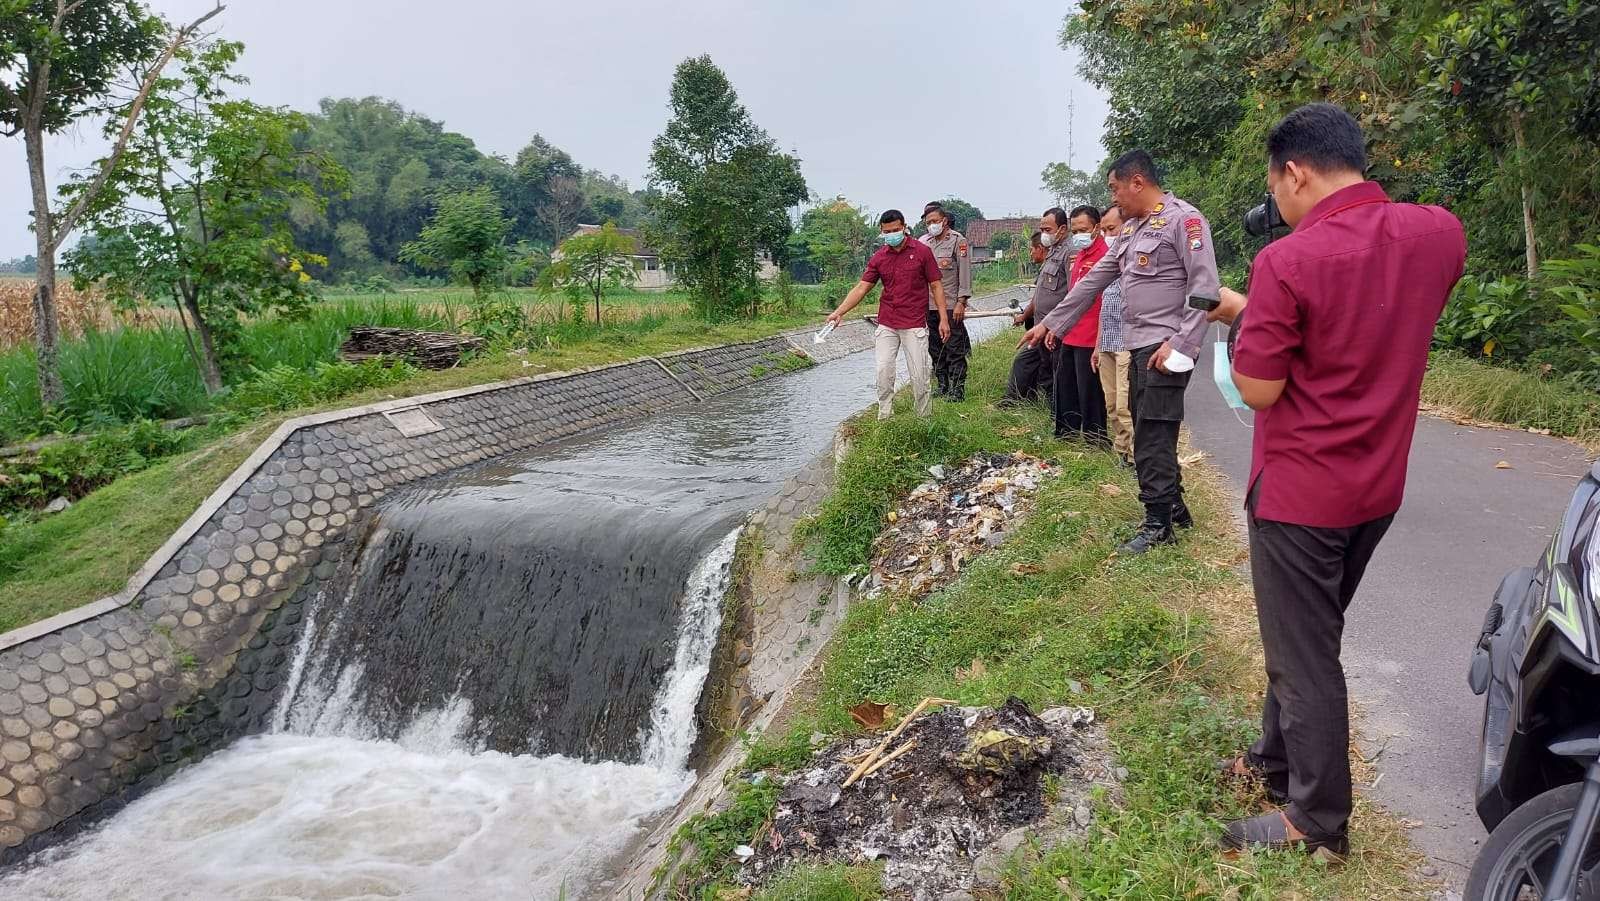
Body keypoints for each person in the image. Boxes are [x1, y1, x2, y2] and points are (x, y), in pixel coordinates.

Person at [1206, 103, 1466, 857]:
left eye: (1275, 188)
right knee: (1308, 633)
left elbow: (1258, 389)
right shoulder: (1438, 233)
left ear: (1295, 172)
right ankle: (1273, 760)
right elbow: (1363, 326)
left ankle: (1315, 821)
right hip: (1376, 487)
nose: (1276, 207)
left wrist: (1244, 315)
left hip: (1300, 494)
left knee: (1304, 653)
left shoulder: (1287, 261)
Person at [1020, 151, 1217, 554]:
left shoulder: (1185, 221)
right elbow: (1091, 283)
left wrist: (1183, 343)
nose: (1114, 197)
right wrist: (1049, 323)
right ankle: (1175, 509)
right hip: (1137, 344)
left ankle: (1158, 524)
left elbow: (1205, 289)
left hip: (1167, 346)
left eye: (1115, 188)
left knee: (1151, 435)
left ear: (1137, 182)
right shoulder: (1129, 232)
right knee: (1150, 427)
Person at [828, 210, 951, 419]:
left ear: (904, 227)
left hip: (914, 323)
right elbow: (861, 288)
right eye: (887, 231)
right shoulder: (879, 258)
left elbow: (936, 286)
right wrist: (838, 312)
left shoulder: (922, 252)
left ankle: (923, 419)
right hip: (887, 322)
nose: (892, 234)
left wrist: (943, 319)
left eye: (896, 230)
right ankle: (885, 417)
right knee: (883, 371)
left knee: (920, 375)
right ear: (882, 232)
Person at [1044, 205, 1108, 442]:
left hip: (1092, 335)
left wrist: (1100, 342)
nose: (1079, 234)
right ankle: (1067, 434)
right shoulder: (1078, 255)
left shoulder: (1106, 255)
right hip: (1071, 331)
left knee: (1089, 390)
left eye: (1084, 229)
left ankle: (1095, 438)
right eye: (1075, 230)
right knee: (1066, 386)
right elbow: (1071, 297)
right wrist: (1057, 327)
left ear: (1097, 228)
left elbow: (1105, 301)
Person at [1002, 211, 1075, 407]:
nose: (1043, 233)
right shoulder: (1052, 251)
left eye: (1047, 229)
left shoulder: (1070, 253)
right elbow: (1040, 295)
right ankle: (1024, 402)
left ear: (1062, 229)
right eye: (1041, 229)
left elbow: (1074, 294)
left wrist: (1054, 324)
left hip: (1055, 328)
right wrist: (1024, 316)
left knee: (1055, 372)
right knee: (1038, 368)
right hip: (1039, 327)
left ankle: (1059, 415)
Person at [1088, 206, 1134, 465]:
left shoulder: (1136, 260)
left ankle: (1136, 456)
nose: (1106, 235)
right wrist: (1096, 346)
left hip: (1128, 342)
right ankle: (1121, 453)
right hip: (1107, 342)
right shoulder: (1107, 263)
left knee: (1125, 404)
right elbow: (1103, 308)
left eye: (1111, 229)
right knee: (1111, 404)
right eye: (1103, 230)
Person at [920, 202, 973, 399]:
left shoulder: (958, 241)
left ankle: (957, 389)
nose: (931, 225)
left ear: (944, 221)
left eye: (934, 221)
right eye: (928, 222)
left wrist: (962, 301)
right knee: (935, 348)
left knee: (954, 348)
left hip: (951, 305)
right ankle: (942, 385)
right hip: (929, 305)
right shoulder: (925, 243)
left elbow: (965, 274)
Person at [1001, 231, 1050, 404]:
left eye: (1031, 249)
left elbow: (1038, 300)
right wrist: (1024, 316)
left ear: (1041, 249)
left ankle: (1014, 400)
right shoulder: (1045, 268)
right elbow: (1037, 299)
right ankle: (1029, 398)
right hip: (1042, 325)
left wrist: (1024, 316)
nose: (1030, 253)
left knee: (1024, 361)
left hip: (1048, 326)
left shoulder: (1051, 268)